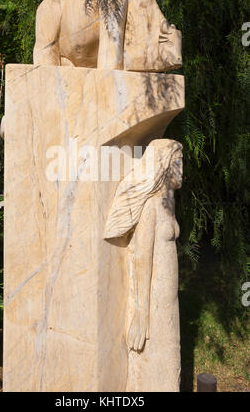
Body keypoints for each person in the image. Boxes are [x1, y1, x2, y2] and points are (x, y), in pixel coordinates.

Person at [104, 139, 183, 391]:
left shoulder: (168, 203)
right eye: (178, 163)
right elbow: (141, 259)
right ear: (163, 165)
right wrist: (140, 315)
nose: (182, 171)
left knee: (171, 352)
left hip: (169, 299)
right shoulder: (151, 206)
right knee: (162, 353)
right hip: (155, 300)